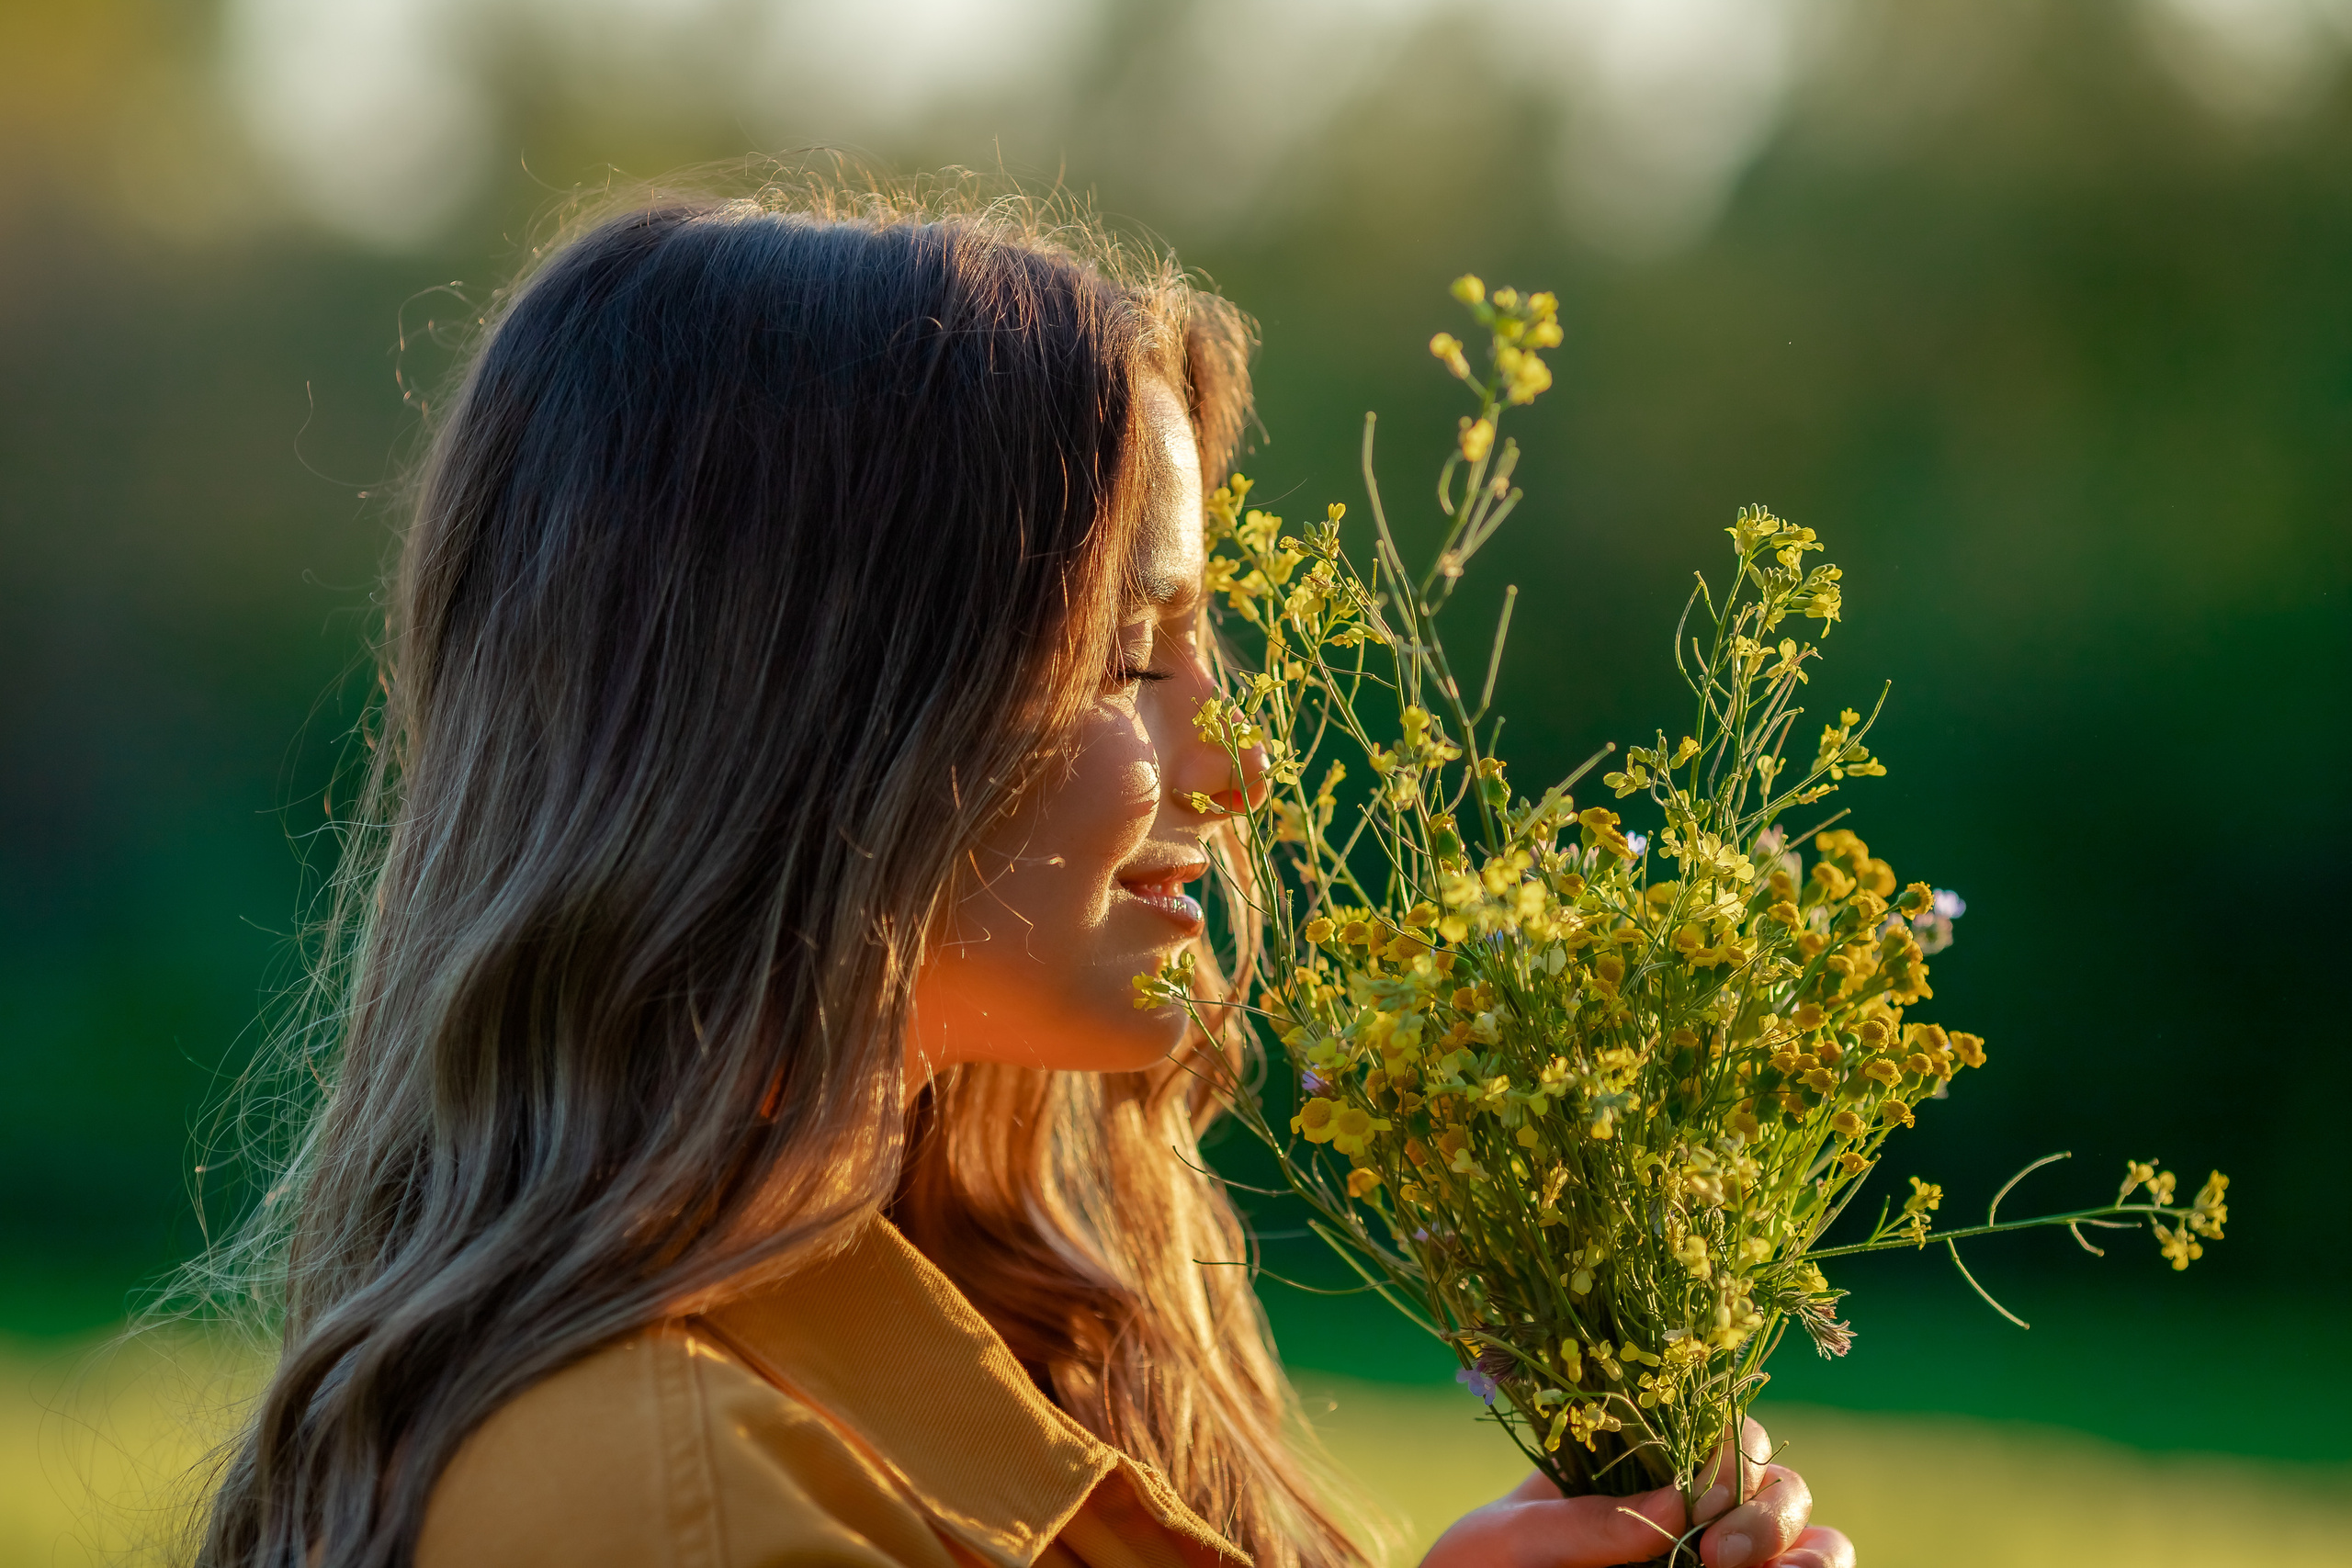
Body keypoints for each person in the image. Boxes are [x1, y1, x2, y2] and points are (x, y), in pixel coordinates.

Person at [193, 176, 1854, 1568]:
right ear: (820, 708)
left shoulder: (946, 1351)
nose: (1240, 767)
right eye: (1135, 654)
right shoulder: (656, 1495)